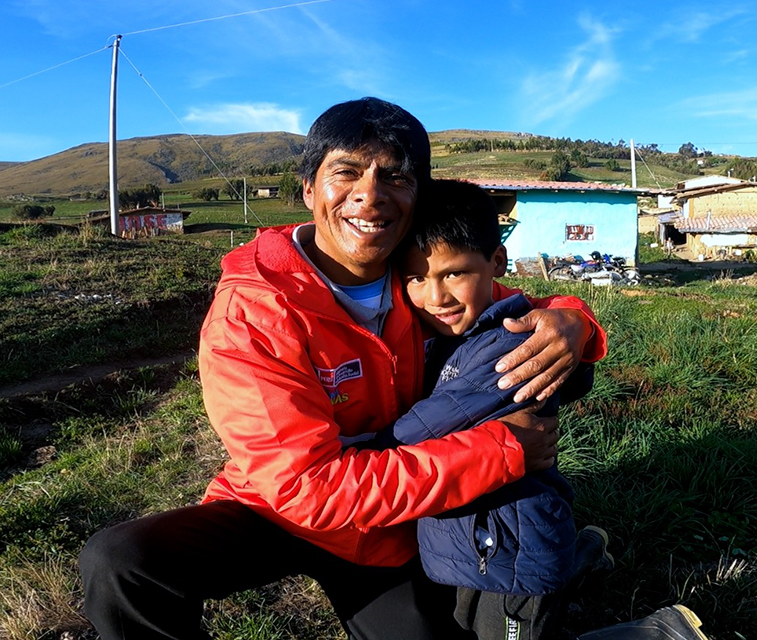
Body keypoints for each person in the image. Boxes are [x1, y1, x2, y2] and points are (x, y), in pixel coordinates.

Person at [79, 97, 607, 640]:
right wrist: (503, 450)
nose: (370, 195)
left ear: (416, 195)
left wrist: (575, 320)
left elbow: (508, 307)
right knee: (120, 562)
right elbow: (306, 487)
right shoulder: (254, 311)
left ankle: (583, 571)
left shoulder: (415, 278)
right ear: (309, 188)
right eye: (346, 172)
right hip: (277, 511)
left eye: (395, 177)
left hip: (386, 527)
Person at [350, 179, 610, 640]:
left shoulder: (511, 345)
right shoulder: (450, 337)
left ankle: (658, 629)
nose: (436, 298)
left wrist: (365, 453)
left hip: (515, 548)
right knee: (472, 627)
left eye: (453, 273)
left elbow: (428, 426)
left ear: (497, 262)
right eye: (415, 278)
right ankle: (586, 551)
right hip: (475, 541)